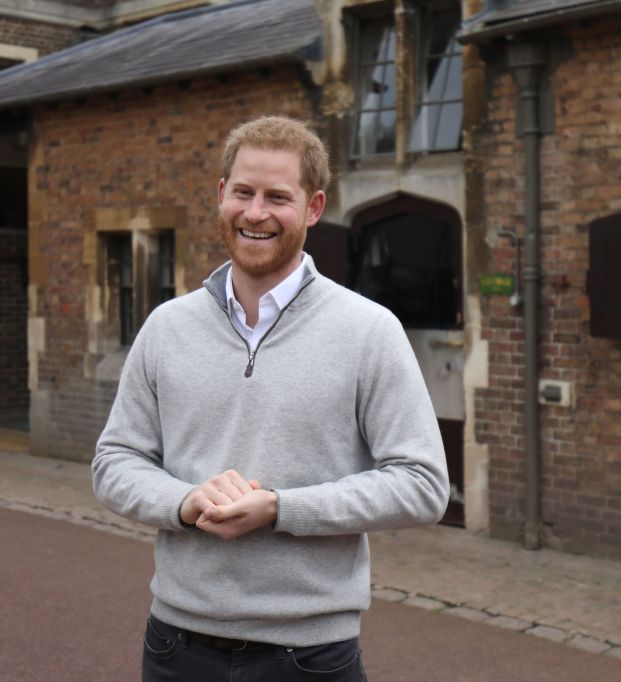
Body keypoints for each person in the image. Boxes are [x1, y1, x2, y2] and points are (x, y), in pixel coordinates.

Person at [92, 115, 449, 681]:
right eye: (243, 192)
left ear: (312, 208)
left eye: (277, 197)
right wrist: (185, 502)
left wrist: (283, 508)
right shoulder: (167, 327)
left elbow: (423, 485)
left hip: (308, 655)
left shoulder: (368, 330)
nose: (255, 213)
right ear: (221, 196)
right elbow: (114, 462)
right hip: (176, 646)